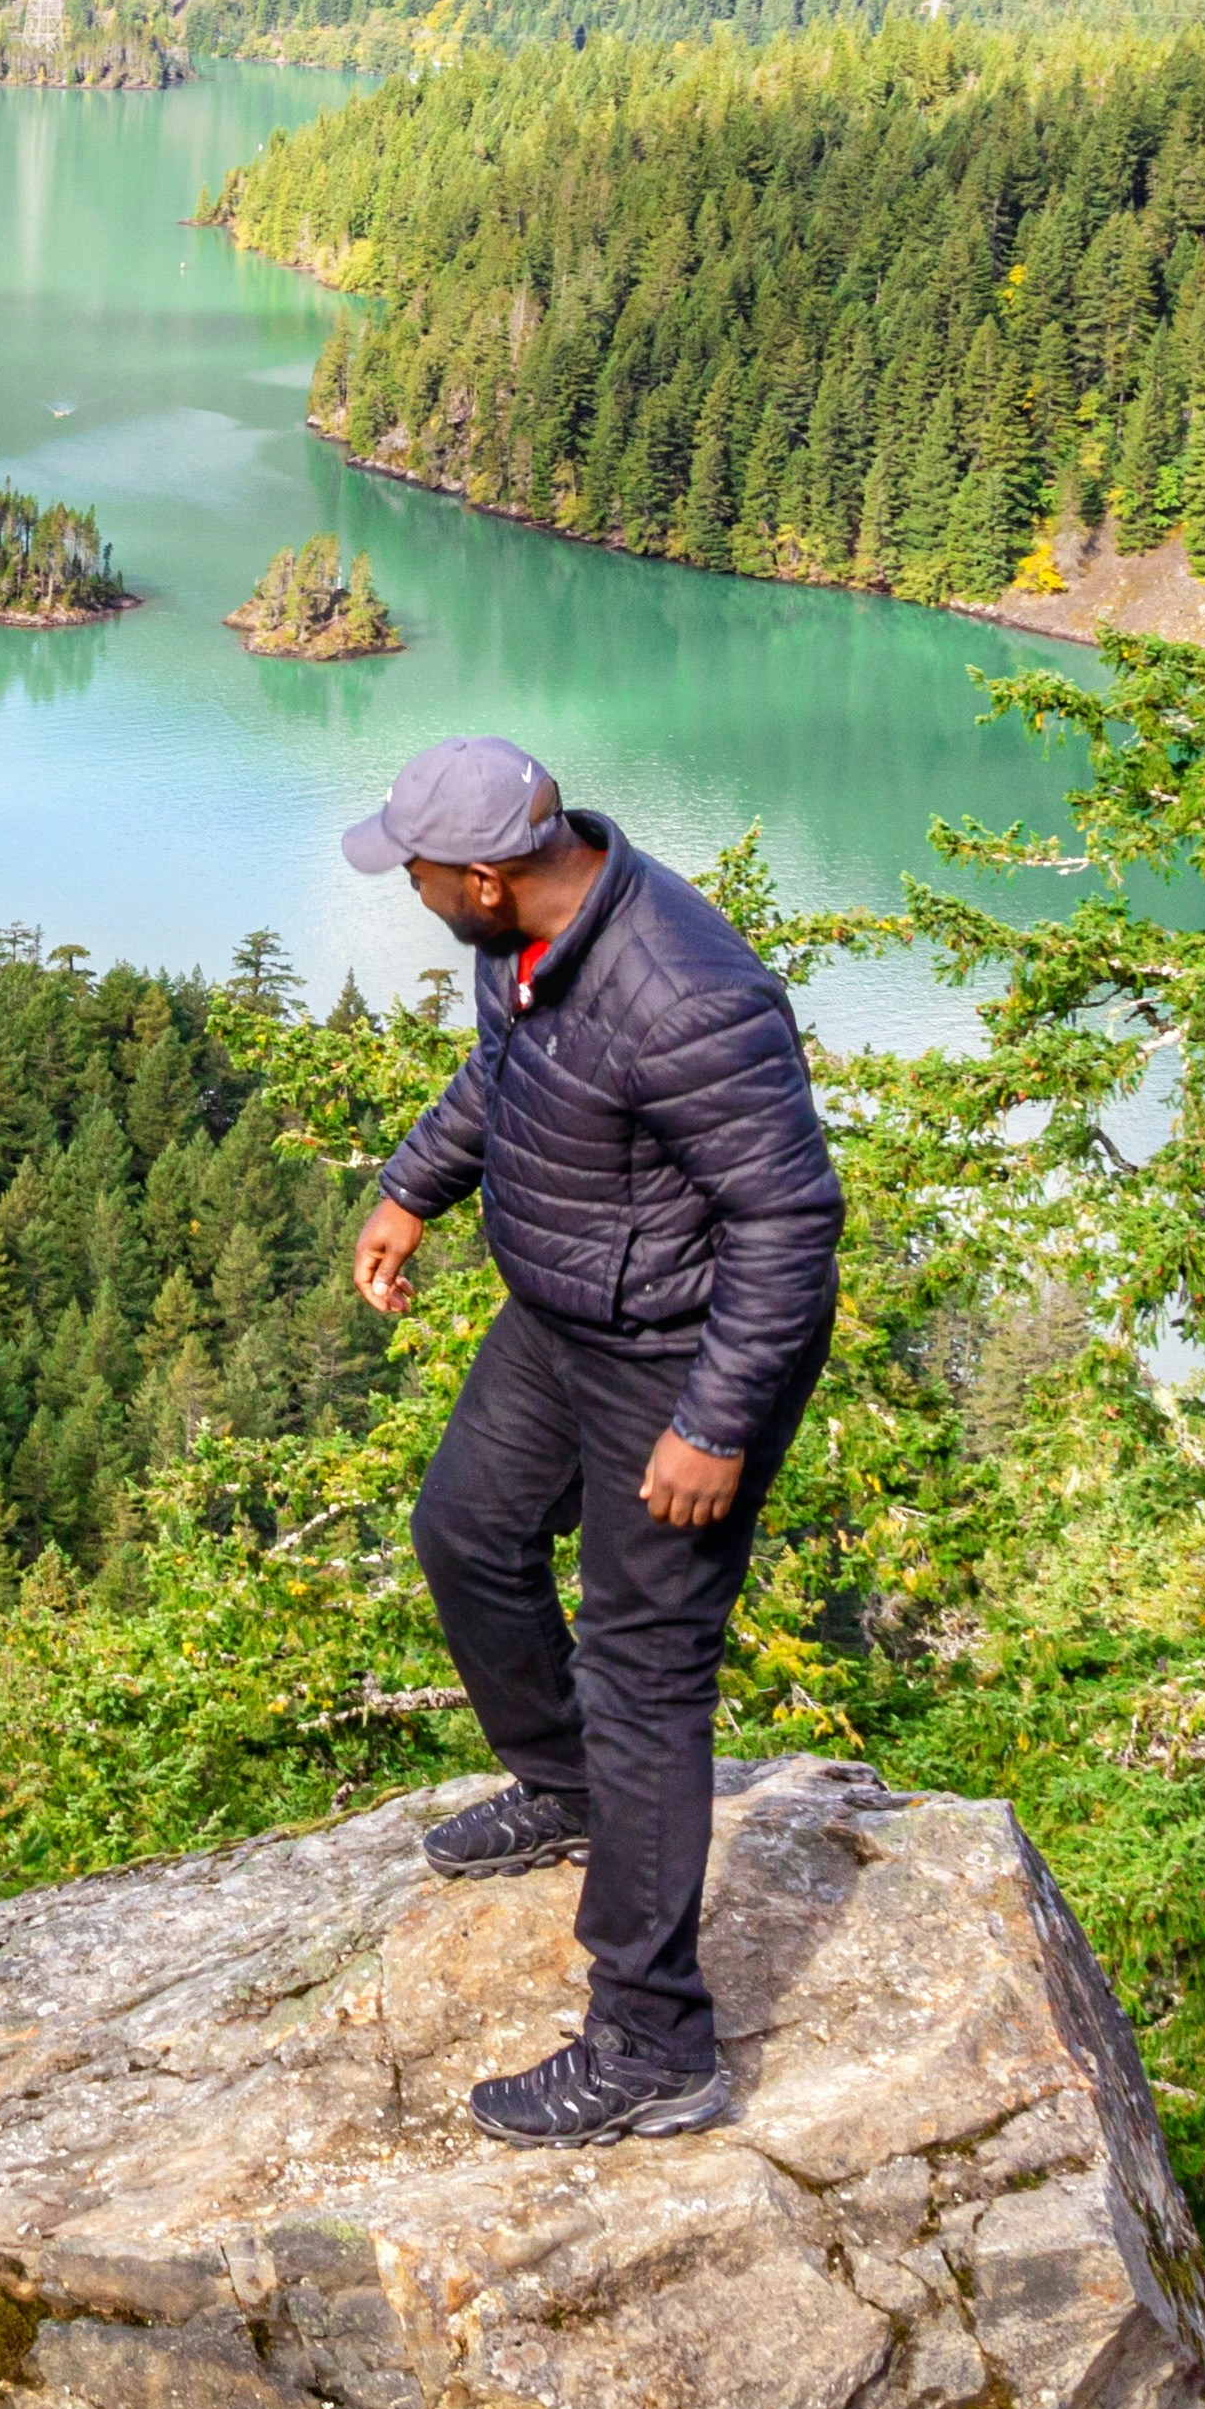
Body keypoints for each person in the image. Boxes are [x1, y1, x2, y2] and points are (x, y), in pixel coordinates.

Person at [345, 734, 840, 2146]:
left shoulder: (683, 991)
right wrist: (412, 1191)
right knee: (467, 1533)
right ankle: (562, 1788)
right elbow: (508, 1085)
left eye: (420, 870)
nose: (409, 887)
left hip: (679, 1358)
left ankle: (654, 2042)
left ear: (488, 878)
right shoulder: (535, 946)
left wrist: (715, 1423)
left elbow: (790, 1221)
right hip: (566, 1315)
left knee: (646, 1672)